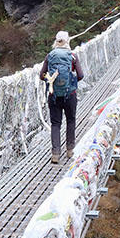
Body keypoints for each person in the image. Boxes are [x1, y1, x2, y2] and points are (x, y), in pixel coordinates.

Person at [40, 30, 84, 164]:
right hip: (70, 95)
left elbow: (42, 75)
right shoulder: (72, 56)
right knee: (70, 120)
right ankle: (70, 150)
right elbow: (81, 75)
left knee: (55, 124)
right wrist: (71, 83)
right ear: (67, 41)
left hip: (53, 95)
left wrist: (52, 80)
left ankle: (55, 154)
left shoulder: (50, 56)